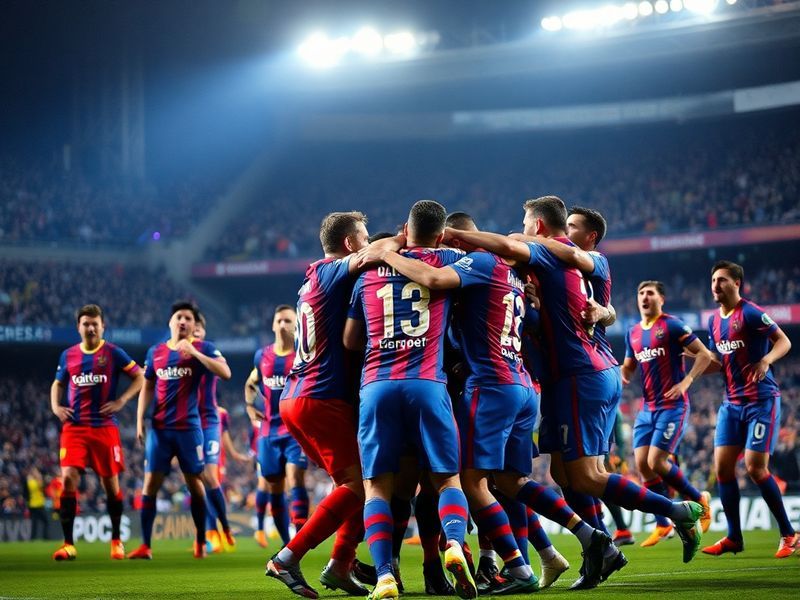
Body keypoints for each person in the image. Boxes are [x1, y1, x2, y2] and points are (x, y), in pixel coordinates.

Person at [444, 196, 707, 578]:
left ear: (537, 225)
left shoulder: (559, 254)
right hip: (568, 377)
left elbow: (508, 246)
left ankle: (679, 511)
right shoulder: (558, 266)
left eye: (525, 222)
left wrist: (455, 234)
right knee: (567, 477)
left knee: (585, 477)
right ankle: (599, 552)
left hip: (579, 374)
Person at [344, 200, 476, 600]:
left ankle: (385, 574)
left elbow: (350, 341)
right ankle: (454, 544)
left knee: (378, 489)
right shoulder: (450, 258)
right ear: (439, 234)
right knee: (446, 480)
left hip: (378, 385)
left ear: (404, 227)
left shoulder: (365, 272)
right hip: (428, 383)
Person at [266, 212, 373, 599]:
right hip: (319, 397)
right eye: (363, 238)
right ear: (348, 244)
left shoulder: (311, 279)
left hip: (297, 396)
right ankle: (287, 559)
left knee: (359, 484)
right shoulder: (331, 270)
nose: (367, 245)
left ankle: (341, 565)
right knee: (357, 484)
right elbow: (368, 257)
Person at [700, 260, 798, 558]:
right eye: (713, 280)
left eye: (722, 280)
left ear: (737, 283)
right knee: (723, 470)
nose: (715, 285)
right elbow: (719, 362)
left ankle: (789, 534)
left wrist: (766, 360)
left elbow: (784, 341)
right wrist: (694, 366)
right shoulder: (713, 321)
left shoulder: (752, 313)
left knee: (756, 468)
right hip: (731, 404)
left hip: (761, 401)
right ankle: (733, 537)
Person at [127, 301, 231, 560]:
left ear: (194, 325)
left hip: (189, 429)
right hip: (160, 430)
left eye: (188, 318)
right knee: (149, 485)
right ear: (170, 322)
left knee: (195, 485)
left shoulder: (202, 347)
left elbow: (225, 372)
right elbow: (148, 385)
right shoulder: (156, 352)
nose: (183, 321)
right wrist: (140, 419)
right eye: (179, 317)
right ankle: (146, 545)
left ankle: (200, 540)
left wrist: (194, 354)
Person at [620, 280, 715, 547]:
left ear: (661, 299)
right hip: (647, 409)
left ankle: (699, 500)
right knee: (642, 465)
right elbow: (628, 367)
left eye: (650, 293)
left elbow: (704, 355)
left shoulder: (671, 325)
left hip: (673, 406)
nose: (644, 297)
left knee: (657, 461)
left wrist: (686, 382)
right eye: (640, 293)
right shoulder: (633, 333)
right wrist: (620, 375)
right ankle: (663, 524)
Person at [50, 304, 144, 561]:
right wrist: (56, 406)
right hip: (75, 428)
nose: (90, 327)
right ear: (78, 327)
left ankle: (116, 541)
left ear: (102, 326)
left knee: (110, 484)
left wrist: (122, 400)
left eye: (95, 323)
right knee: (68, 478)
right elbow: (57, 384)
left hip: (104, 427)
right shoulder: (68, 355)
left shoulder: (113, 353)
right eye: (85, 323)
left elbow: (140, 377)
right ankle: (68, 544)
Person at [245, 304, 309, 549]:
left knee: (296, 477)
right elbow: (251, 384)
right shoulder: (262, 356)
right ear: (273, 325)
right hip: (268, 433)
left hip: (295, 431)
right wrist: (250, 407)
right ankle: (287, 543)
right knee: (274, 487)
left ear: (297, 326)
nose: (283, 325)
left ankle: (302, 533)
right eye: (279, 320)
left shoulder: (303, 356)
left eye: (288, 321)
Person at [195, 313, 241, 552]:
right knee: (197, 484)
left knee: (210, 479)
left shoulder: (208, 351)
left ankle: (223, 529)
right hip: (186, 425)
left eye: (199, 329)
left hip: (208, 422)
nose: (195, 332)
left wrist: (234, 454)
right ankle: (205, 536)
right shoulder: (174, 355)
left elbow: (225, 371)